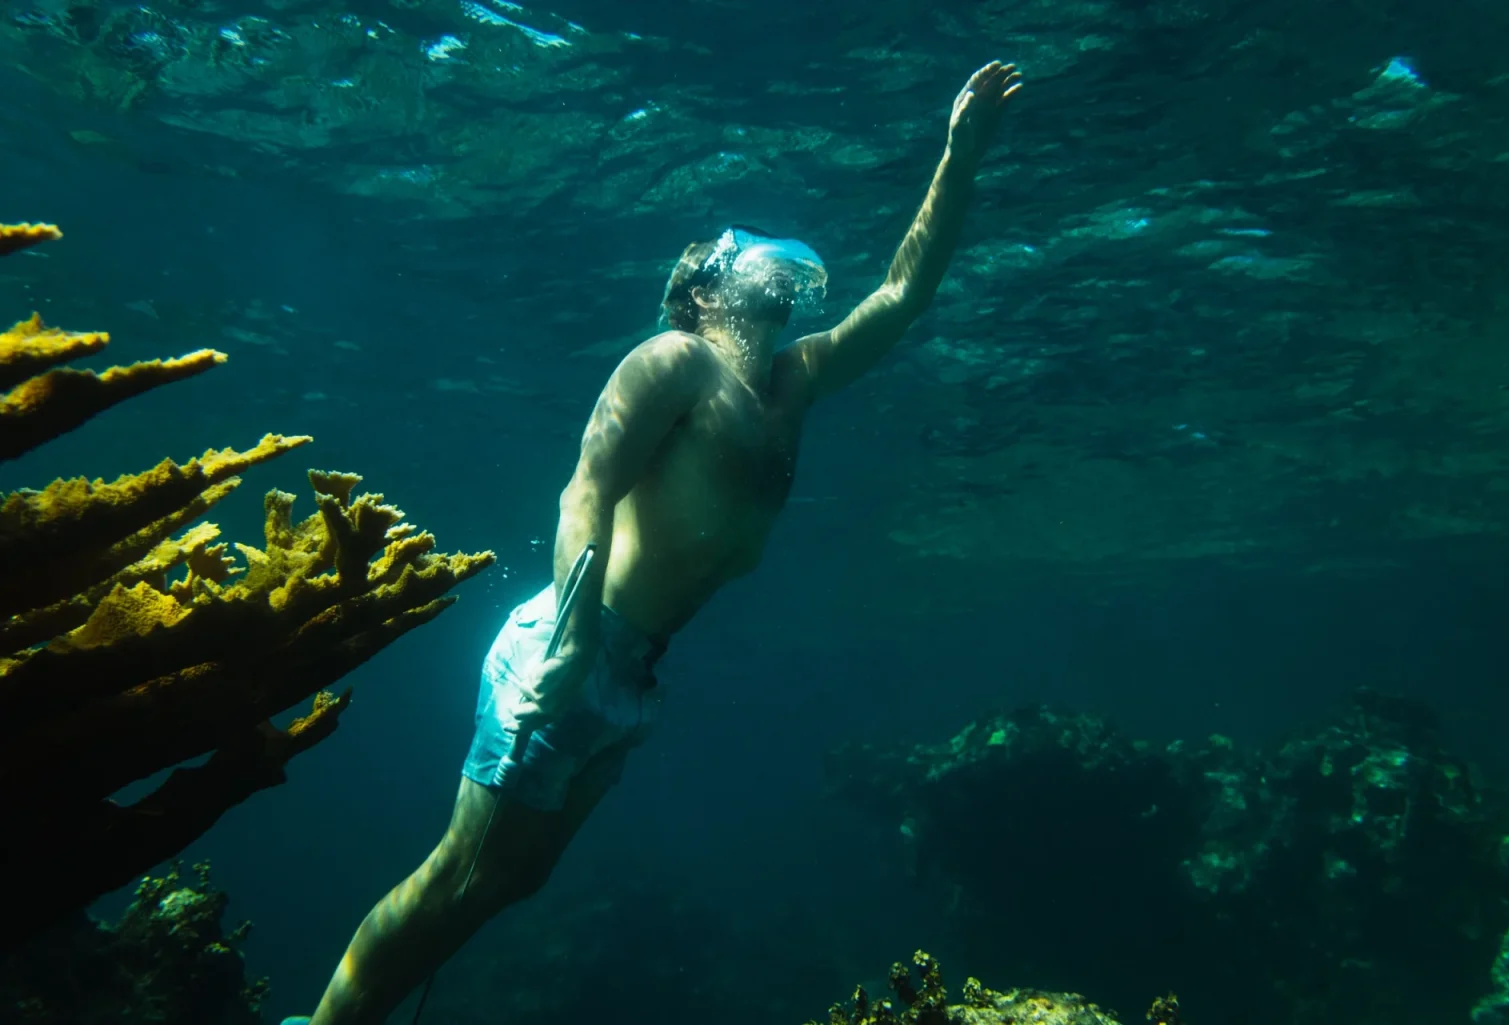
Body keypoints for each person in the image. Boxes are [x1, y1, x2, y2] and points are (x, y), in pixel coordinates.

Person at [286, 59, 1021, 1025]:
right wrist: (580, 635)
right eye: (746, 255)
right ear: (707, 287)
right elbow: (583, 488)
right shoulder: (674, 361)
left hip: (632, 673)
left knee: (508, 884)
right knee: (455, 873)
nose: (774, 263)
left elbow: (899, 295)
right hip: (573, 642)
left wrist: (959, 153)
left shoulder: (793, 382)